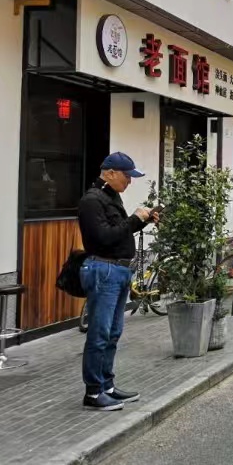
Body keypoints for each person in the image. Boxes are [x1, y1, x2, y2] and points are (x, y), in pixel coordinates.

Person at [77, 152, 157, 412]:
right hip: (104, 269)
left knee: (112, 332)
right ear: (110, 173)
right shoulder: (92, 200)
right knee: (99, 333)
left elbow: (119, 232)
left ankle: (107, 386)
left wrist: (142, 222)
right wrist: (134, 219)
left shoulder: (110, 196)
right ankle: (93, 392)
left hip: (118, 270)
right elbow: (103, 237)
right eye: (126, 176)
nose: (129, 182)